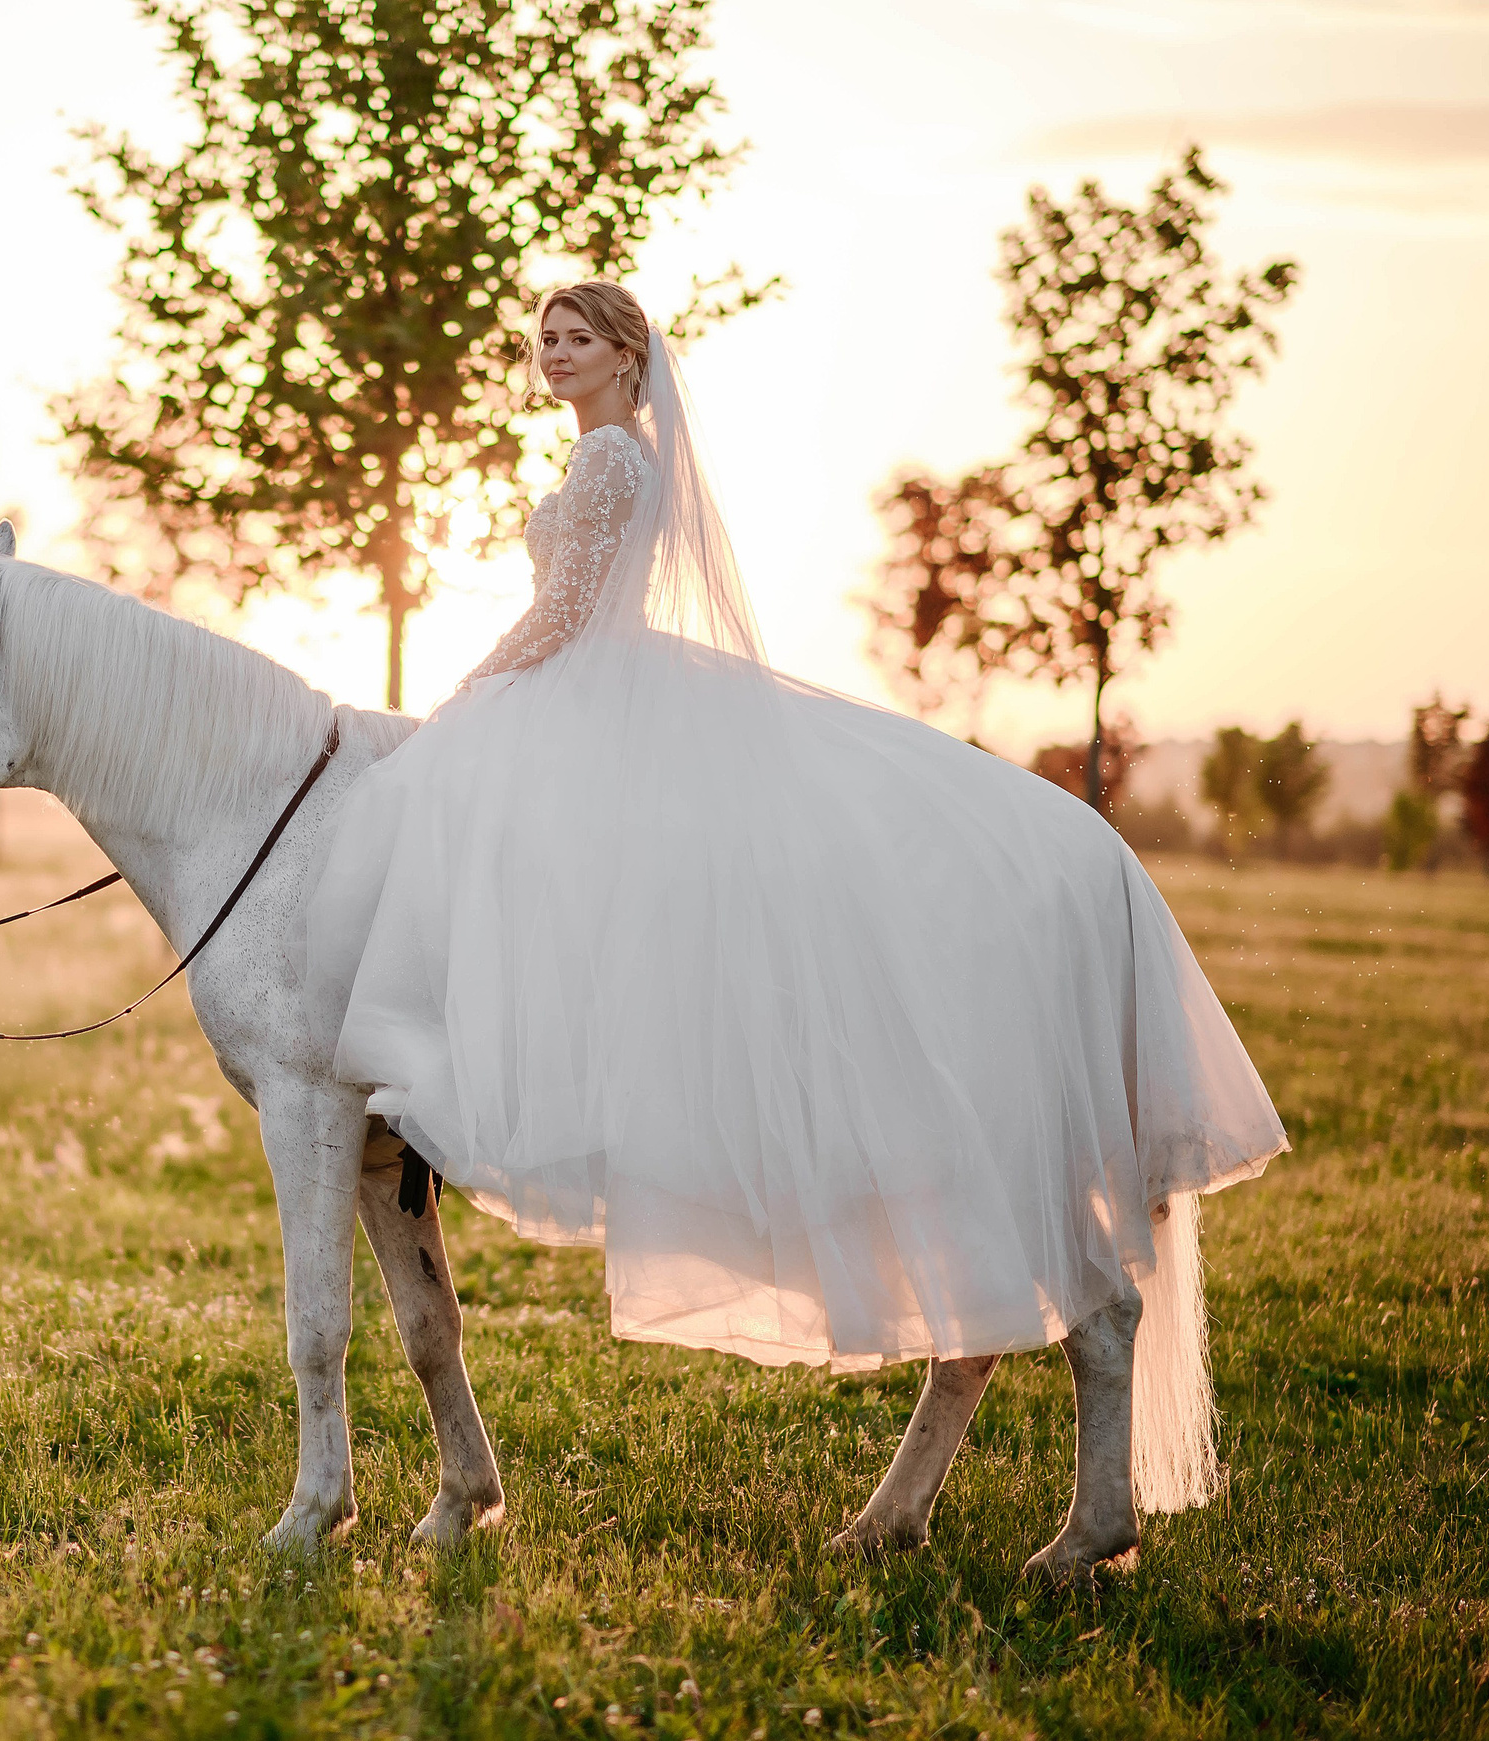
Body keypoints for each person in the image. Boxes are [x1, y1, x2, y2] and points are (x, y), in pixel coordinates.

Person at [304, 284, 1284, 1456]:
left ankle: (483, 1064)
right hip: (582, 692)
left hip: (585, 691)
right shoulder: (592, 459)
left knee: (489, 836)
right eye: (542, 341)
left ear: (627, 357)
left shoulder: (613, 460)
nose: (552, 356)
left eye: (576, 340)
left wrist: (466, 691)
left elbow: (565, 612)